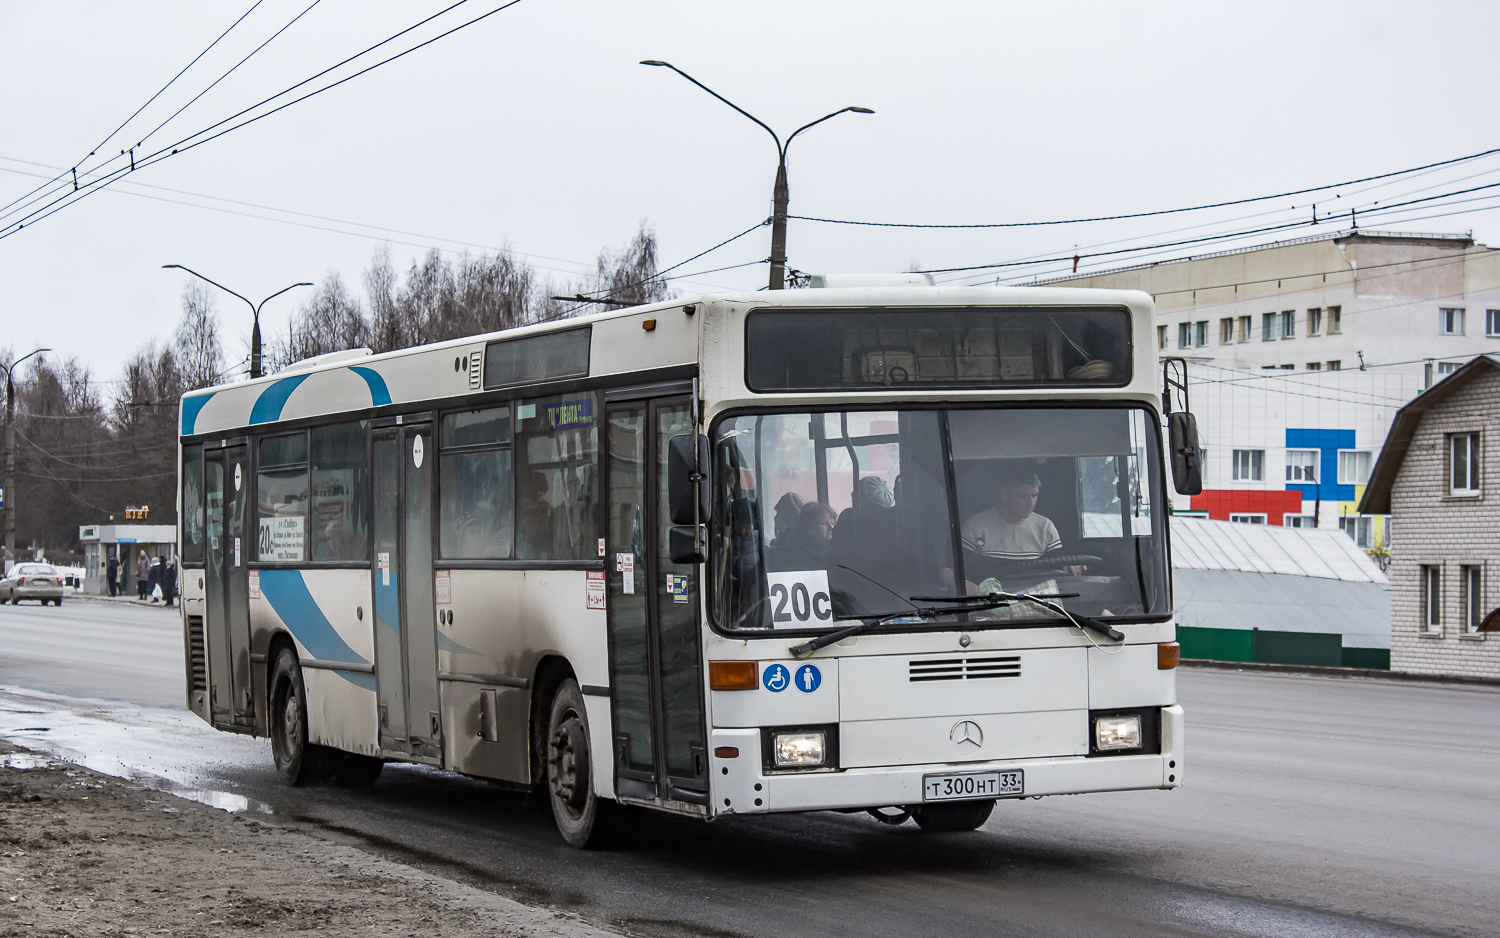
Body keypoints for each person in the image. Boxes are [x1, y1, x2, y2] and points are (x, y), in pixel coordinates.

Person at [961, 464, 1082, 575]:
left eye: (1034, 496)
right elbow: (949, 571)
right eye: (1022, 496)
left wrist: (1071, 567)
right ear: (1005, 494)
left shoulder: (1045, 527)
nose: (1030, 503)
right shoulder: (975, 527)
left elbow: (1059, 566)